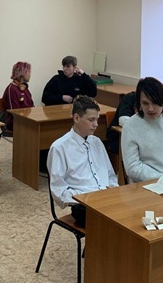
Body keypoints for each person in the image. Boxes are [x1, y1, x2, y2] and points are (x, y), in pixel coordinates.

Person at [47, 96, 118, 228]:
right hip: (83, 204)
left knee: (131, 213)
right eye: (91, 120)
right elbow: (59, 190)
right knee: (109, 222)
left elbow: (111, 176)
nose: (96, 124)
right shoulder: (59, 148)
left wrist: (113, 188)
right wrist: (84, 198)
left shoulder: (97, 142)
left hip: (106, 198)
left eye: (97, 119)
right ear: (76, 118)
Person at [121, 77, 163, 183]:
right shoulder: (130, 126)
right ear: (139, 103)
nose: (150, 108)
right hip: (148, 184)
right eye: (145, 103)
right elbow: (133, 167)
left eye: (154, 103)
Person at [0, 61, 34, 131]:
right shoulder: (11, 89)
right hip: (16, 123)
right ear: (22, 74)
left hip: (27, 120)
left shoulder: (24, 87)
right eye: (29, 72)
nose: (30, 75)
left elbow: (31, 106)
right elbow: (15, 112)